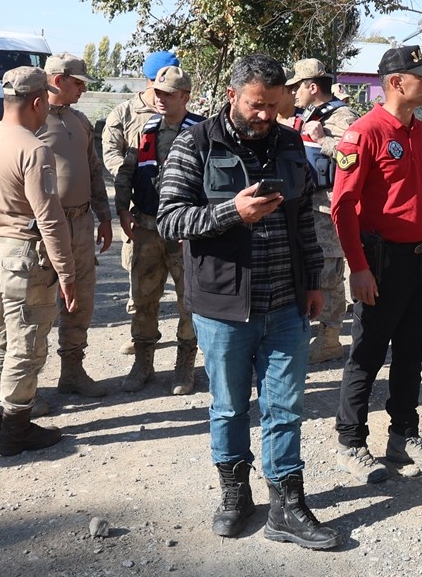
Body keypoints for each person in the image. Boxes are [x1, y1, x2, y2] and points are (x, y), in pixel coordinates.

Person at [156, 54, 338, 549]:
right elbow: (170, 220)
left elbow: (303, 218)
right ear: (233, 95)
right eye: (258, 105)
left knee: (285, 407)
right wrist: (231, 213)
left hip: (286, 303)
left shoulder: (287, 142)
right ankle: (235, 494)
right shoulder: (195, 143)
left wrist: (315, 281)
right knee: (230, 406)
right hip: (222, 307)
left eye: (276, 107)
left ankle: (287, 505)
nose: (267, 116)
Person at [329, 46, 422, 484]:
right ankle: (351, 442)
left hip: (421, 262)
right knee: (366, 354)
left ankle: (403, 434)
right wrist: (358, 267)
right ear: (397, 82)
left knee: (411, 353)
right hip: (381, 263)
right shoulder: (363, 134)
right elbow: (342, 208)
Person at [0, 67, 76, 456]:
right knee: (25, 346)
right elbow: (49, 217)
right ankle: (16, 429)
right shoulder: (33, 148)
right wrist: (66, 273)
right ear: (37, 101)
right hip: (22, 259)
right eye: (46, 100)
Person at [114, 66, 203, 394]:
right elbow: (127, 171)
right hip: (148, 230)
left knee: (188, 300)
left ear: (185, 96)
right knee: (143, 297)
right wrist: (122, 208)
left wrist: (198, 222)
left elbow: (213, 182)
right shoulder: (147, 128)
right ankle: (143, 361)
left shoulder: (202, 132)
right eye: (158, 93)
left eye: (168, 94)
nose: (161, 99)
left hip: (185, 232)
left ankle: (185, 365)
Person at [37, 53, 114, 400]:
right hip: (42, 230)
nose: (83, 89)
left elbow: (94, 170)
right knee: (35, 305)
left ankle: (72, 372)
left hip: (81, 224)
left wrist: (105, 216)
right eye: (78, 82)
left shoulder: (80, 120)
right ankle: (25, 390)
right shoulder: (29, 122)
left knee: (80, 302)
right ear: (58, 80)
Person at [103, 50, 182, 355]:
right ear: (150, 79)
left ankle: (186, 341)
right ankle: (142, 336)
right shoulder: (125, 113)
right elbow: (110, 152)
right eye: (160, 79)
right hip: (141, 209)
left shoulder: (181, 113)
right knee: (140, 278)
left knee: (183, 282)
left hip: (175, 215)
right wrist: (133, 174)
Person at [288, 58, 359, 364]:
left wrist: (324, 140)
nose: (292, 93)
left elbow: (356, 156)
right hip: (309, 205)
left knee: (329, 273)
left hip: (329, 207)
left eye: (296, 87)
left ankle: (330, 339)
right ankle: (313, 332)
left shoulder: (343, 116)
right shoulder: (310, 115)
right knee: (311, 269)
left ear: (312, 87)